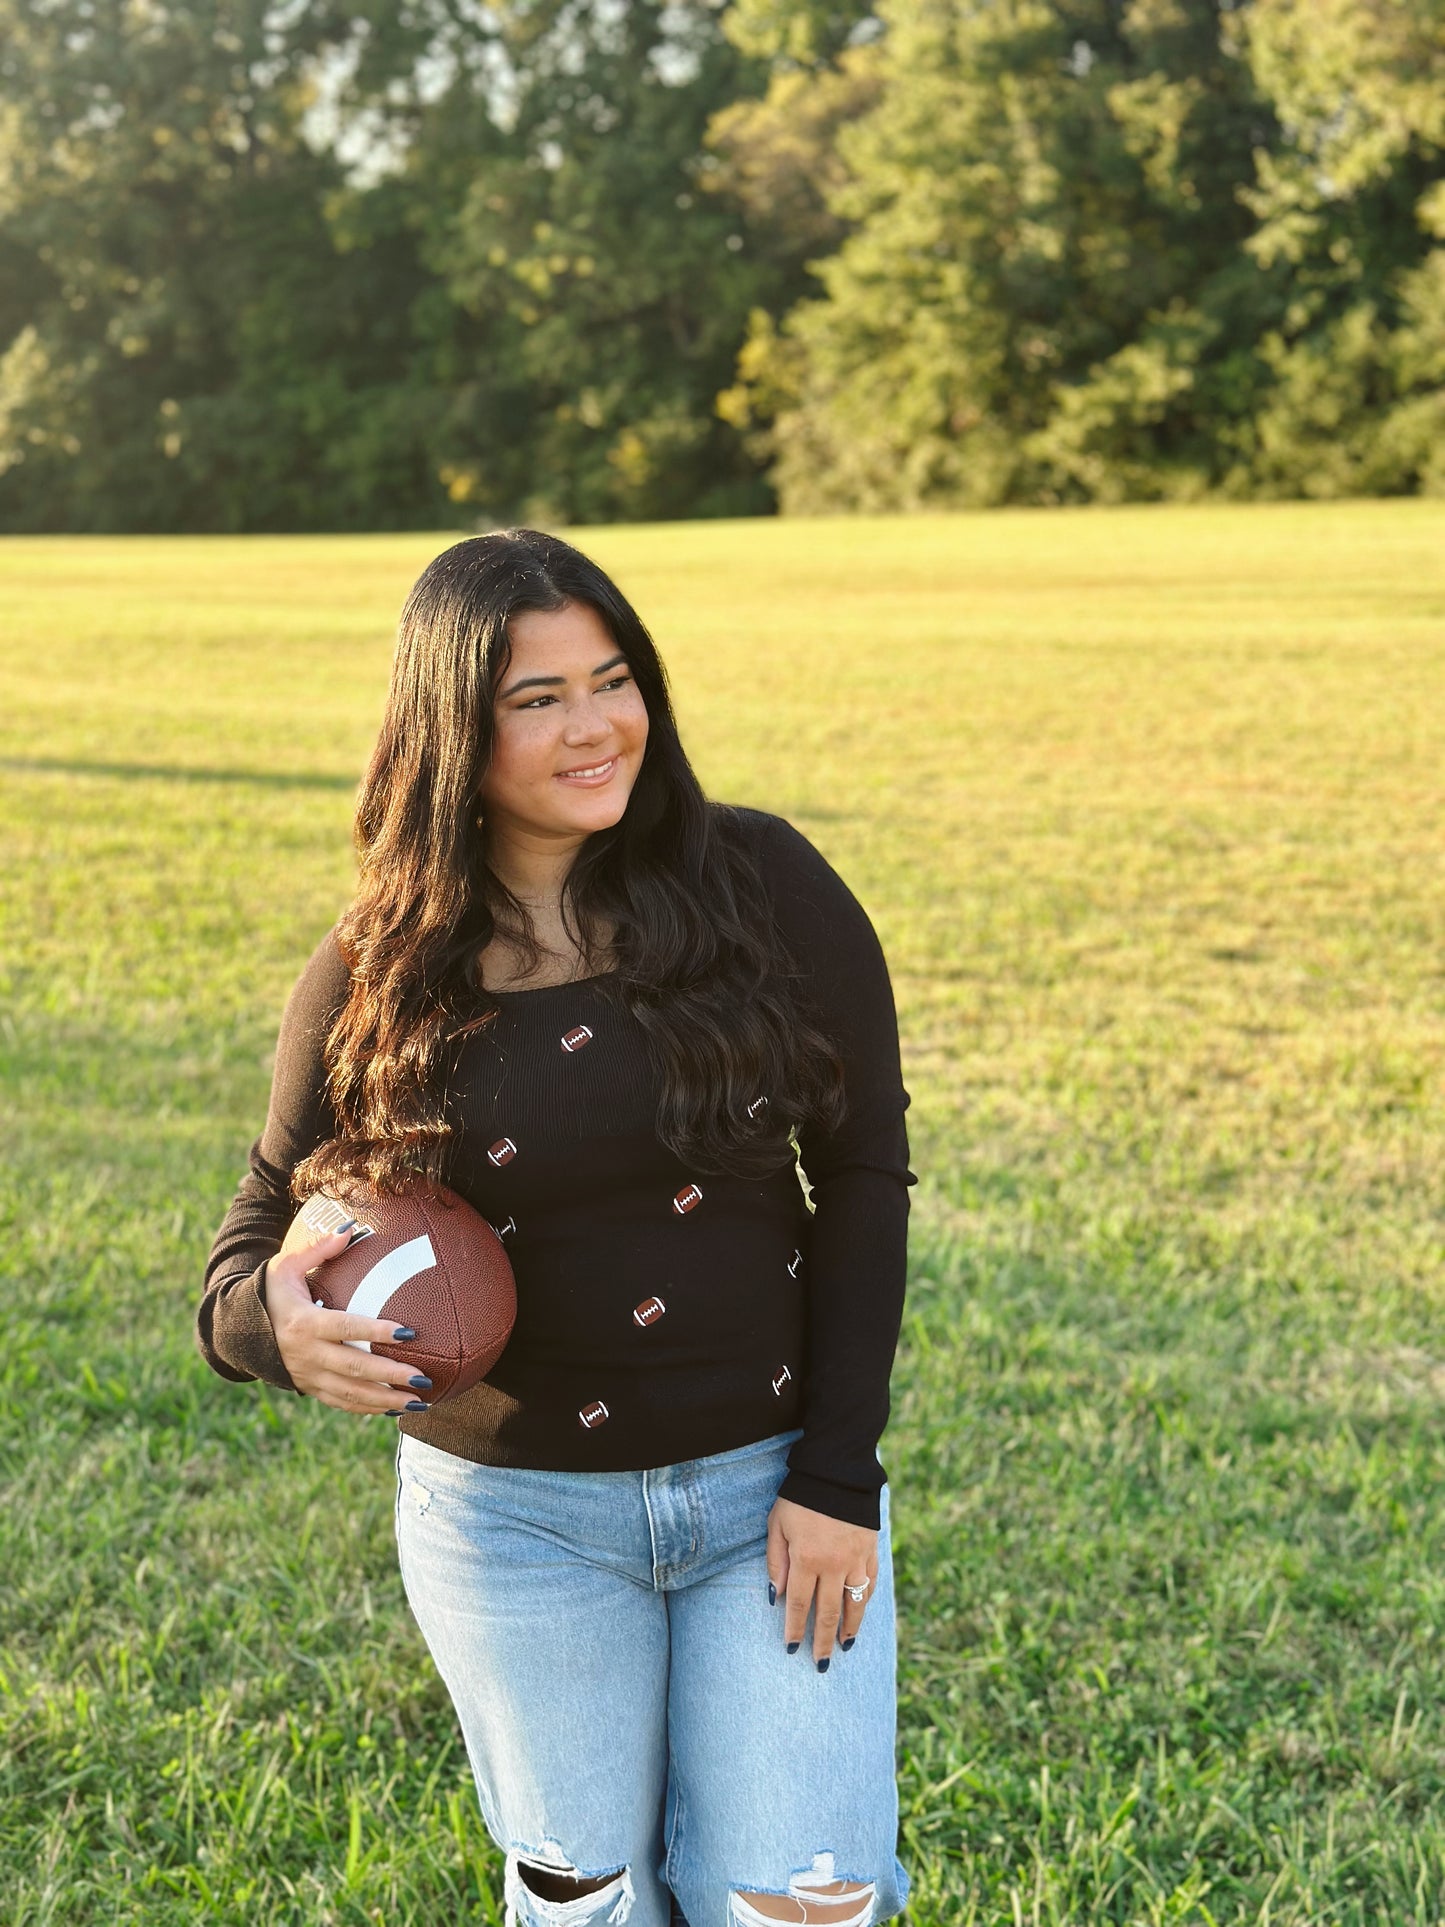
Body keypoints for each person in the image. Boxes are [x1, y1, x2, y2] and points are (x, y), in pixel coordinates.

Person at [199, 530, 914, 1927]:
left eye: (614, 677)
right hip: (510, 1525)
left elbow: (865, 1177)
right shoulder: (376, 969)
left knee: (795, 1899)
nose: (596, 726)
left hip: (765, 1499)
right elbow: (241, 1262)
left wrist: (836, 1476)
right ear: (451, 730)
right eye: (537, 699)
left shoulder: (762, 883)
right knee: (582, 1906)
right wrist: (277, 1329)